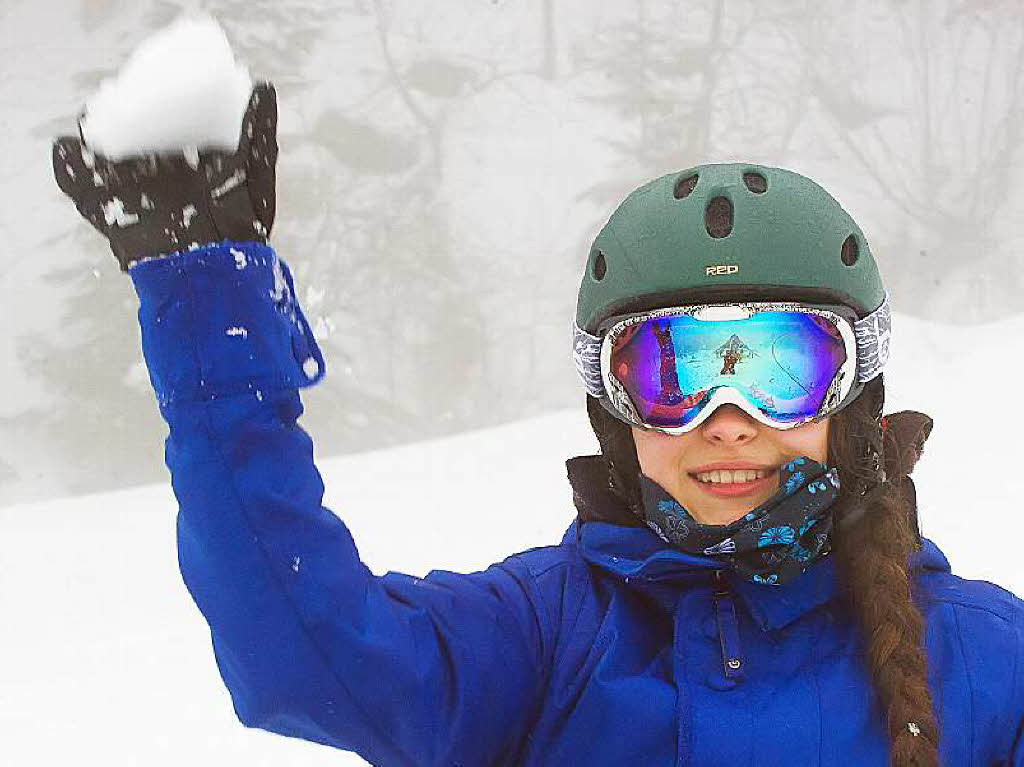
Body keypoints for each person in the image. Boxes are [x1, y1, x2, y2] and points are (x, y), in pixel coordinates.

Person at [52, 80, 1024, 767]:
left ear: (852, 402)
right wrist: (209, 319)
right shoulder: (544, 634)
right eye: (668, 373)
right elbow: (311, 652)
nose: (727, 420)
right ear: (613, 411)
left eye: (779, 368)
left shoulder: (986, 658)